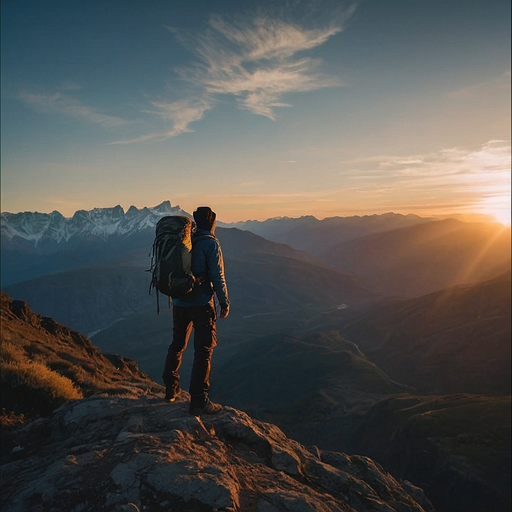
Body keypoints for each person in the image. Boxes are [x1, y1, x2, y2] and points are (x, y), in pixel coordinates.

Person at [162, 206, 230, 416]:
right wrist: (224, 301)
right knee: (203, 351)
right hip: (201, 304)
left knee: (177, 345)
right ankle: (199, 400)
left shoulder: (186, 240)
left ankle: (171, 388)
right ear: (212, 223)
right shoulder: (210, 243)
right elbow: (217, 275)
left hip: (180, 303)